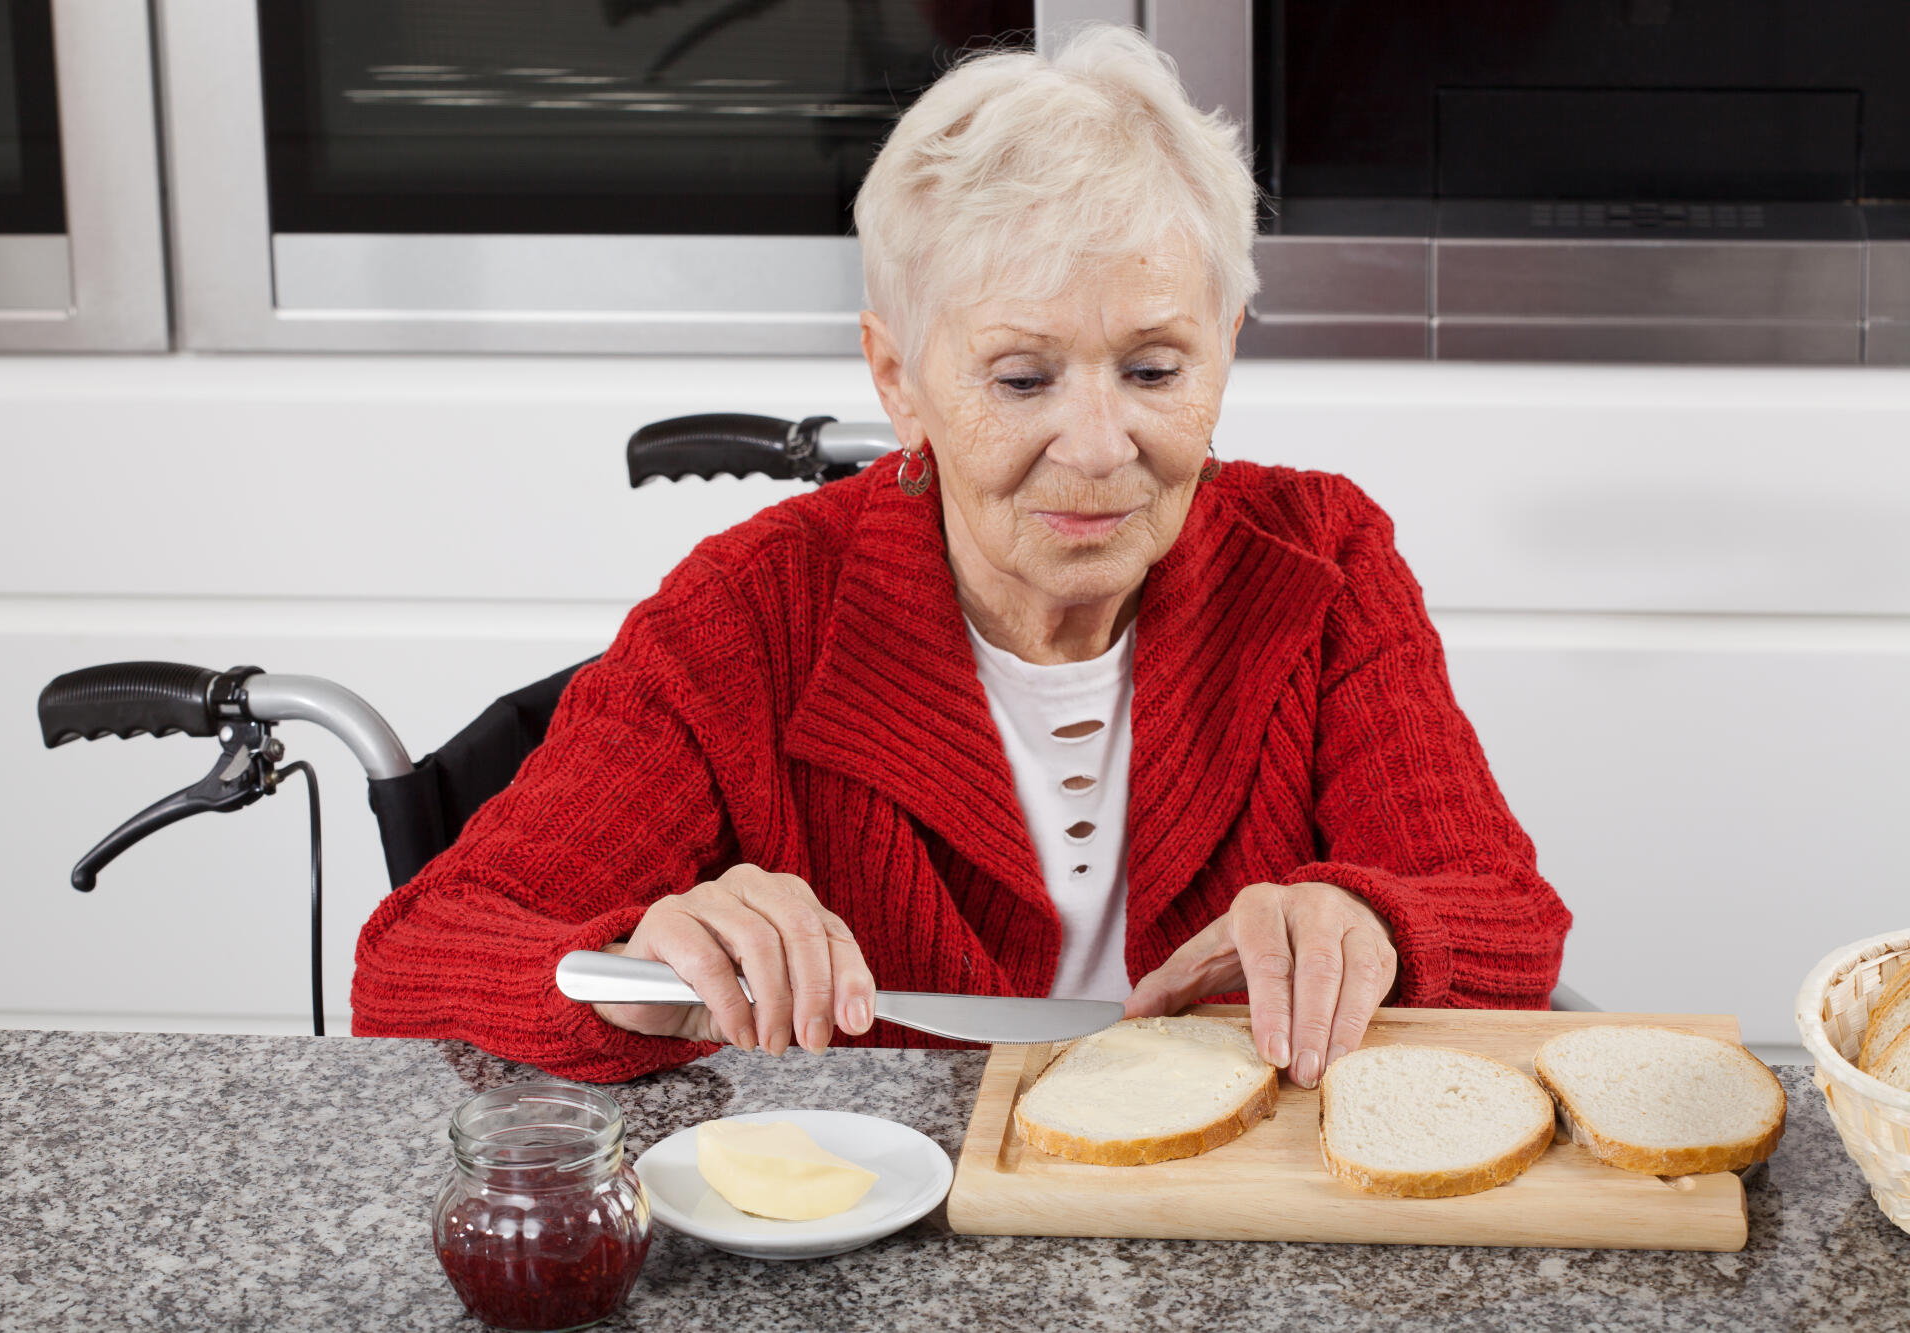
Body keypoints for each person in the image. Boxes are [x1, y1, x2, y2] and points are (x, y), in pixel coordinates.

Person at [351, 26, 1572, 1086]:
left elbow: (1507, 923)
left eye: (1154, 369)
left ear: (1226, 344)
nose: (1098, 448)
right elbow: (415, 963)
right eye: (1021, 377)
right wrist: (628, 966)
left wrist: (1372, 922)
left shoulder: (1320, 560)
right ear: (899, 378)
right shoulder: (750, 612)